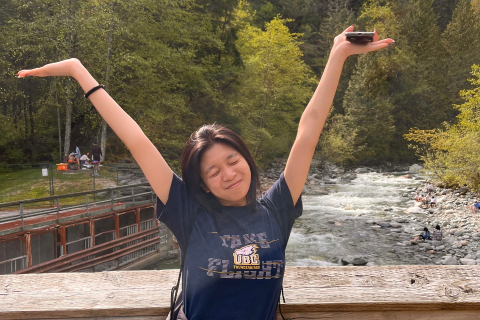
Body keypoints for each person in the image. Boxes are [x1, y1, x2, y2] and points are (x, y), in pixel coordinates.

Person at [16, 26, 394, 320]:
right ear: (201, 183)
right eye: (213, 171)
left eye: (232, 160)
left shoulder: (277, 208)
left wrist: (337, 55)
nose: (228, 173)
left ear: (246, 158)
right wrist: (80, 72)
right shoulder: (188, 209)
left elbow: (308, 132)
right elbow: (137, 140)